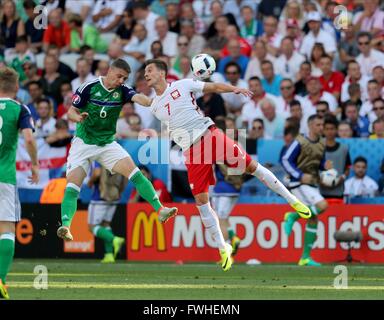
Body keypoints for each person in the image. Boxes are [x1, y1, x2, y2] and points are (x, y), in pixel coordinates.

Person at [142, 59, 312, 272]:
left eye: (149, 70)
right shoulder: (154, 104)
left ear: (162, 73)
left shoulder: (182, 85)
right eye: (145, 71)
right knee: (202, 202)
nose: (146, 74)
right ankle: (223, 248)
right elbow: (140, 100)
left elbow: (212, 87)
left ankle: (293, 201)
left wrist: (235, 89)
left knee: (251, 166)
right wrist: (124, 92)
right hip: (192, 152)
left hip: (209, 135)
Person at [56, 58, 178, 242]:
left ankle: (161, 210)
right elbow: (70, 112)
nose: (122, 81)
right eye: (120, 76)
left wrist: (154, 102)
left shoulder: (122, 91)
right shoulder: (88, 88)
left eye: (125, 78)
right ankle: (65, 226)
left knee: (136, 174)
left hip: (107, 144)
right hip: (83, 144)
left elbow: (139, 98)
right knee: (73, 186)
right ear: (110, 71)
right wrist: (78, 118)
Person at [0, 67, 39, 299]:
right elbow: (29, 139)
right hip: (4, 178)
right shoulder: (19, 109)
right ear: (16, 88)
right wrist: (34, 164)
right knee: (6, 230)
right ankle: (1, 280)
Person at [281, 115, 331, 266]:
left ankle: (305, 258)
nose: (321, 127)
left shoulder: (322, 142)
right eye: (317, 125)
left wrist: (325, 168)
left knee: (313, 219)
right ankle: (293, 216)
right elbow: (285, 160)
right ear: (309, 126)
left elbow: (318, 162)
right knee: (323, 206)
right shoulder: (300, 141)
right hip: (298, 182)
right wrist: (300, 175)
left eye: (322, 124)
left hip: (312, 182)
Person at [87, 162, 126, 263]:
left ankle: (114, 239)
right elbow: (125, 176)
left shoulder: (99, 157)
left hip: (99, 197)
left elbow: (97, 173)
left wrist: (90, 182)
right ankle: (109, 255)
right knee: (105, 224)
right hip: (114, 196)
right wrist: (119, 191)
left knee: (92, 227)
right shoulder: (117, 155)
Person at [320, 115, 351, 202]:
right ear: (323, 130)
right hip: (320, 192)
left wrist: (342, 178)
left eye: (332, 128)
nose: (330, 131)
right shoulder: (318, 148)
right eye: (327, 129)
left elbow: (348, 167)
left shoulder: (344, 148)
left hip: (338, 192)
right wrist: (320, 180)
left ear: (336, 130)